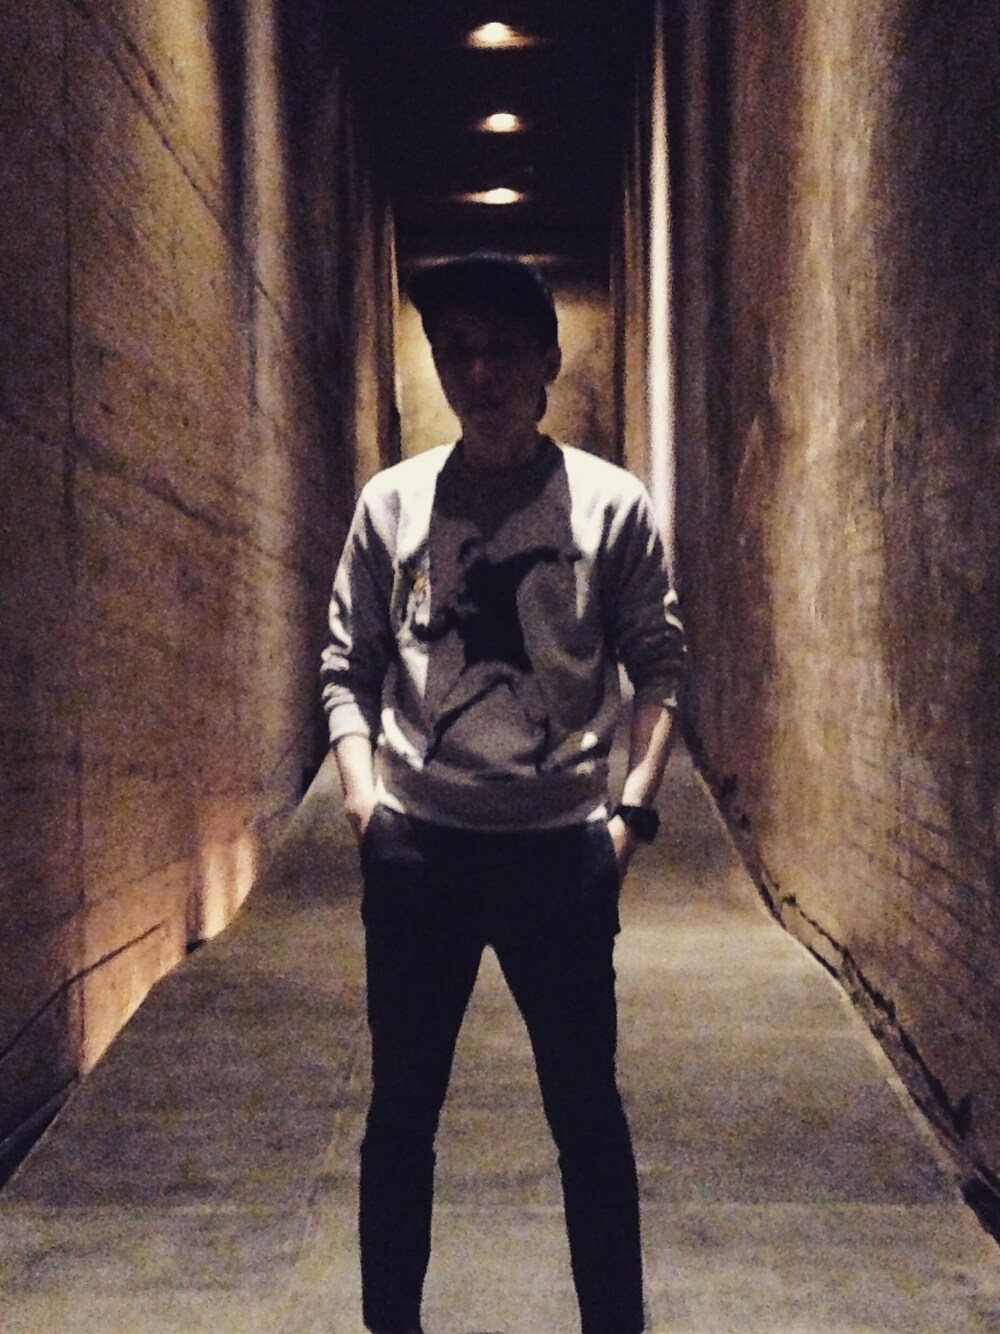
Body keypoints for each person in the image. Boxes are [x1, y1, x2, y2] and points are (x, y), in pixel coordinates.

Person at [321, 253, 686, 1334]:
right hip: (420, 848)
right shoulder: (392, 504)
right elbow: (347, 663)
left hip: (557, 852)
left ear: (546, 363)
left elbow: (660, 665)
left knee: (586, 1117)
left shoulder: (610, 505)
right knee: (400, 1117)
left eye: (502, 351)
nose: (478, 374)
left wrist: (628, 819)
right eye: (458, 352)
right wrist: (365, 808)